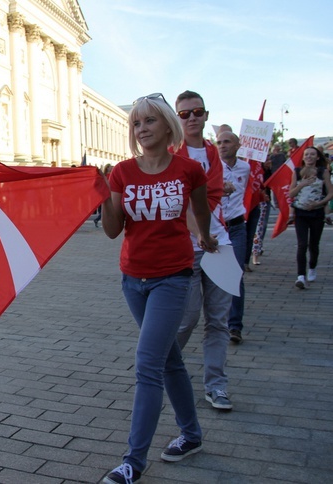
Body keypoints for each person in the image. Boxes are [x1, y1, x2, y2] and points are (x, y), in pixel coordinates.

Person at [100, 93, 217, 484]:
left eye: (150, 121)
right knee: (170, 361)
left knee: (148, 364)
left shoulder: (188, 171)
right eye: (136, 123)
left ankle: (134, 461)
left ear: (169, 125)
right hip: (133, 279)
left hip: (173, 276)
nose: (142, 128)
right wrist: (103, 198)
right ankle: (192, 435)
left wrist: (207, 236)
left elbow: (200, 212)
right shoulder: (121, 173)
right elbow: (115, 230)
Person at [173, 90, 236, 410]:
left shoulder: (213, 153)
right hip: (189, 247)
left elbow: (209, 196)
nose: (192, 118)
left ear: (206, 115)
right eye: (184, 114)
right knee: (186, 319)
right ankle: (164, 369)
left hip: (220, 245)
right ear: (177, 118)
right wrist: (200, 235)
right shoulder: (173, 154)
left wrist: (211, 237)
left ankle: (217, 386)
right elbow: (179, 203)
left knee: (219, 321)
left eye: (197, 112)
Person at [217, 131, 250, 344]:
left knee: (235, 274)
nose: (222, 146)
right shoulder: (212, 166)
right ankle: (215, 318)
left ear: (238, 145)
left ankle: (235, 326)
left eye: (227, 142)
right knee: (215, 277)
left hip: (236, 226)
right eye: (219, 142)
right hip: (216, 227)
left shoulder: (245, 168)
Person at [288, 146, 333, 288]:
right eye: (306, 154)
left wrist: (319, 203)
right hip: (301, 212)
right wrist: (301, 184)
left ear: (317, 157)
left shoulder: (323, 172)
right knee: (302, 244)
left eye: (312, 155)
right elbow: (291, 194)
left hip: (316, 212)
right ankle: (301, 276)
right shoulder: (296, 172)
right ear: (303, 157)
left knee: (314, 244)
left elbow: (331, 193)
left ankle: (312, 267)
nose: (309, 157)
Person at [251, 155, 273, 265]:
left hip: (265, 202)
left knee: (261, 228)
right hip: (257, 201)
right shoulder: (257, 171)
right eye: (267, 160)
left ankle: (257, 250)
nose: (270, 162)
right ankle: (255, 254)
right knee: (258, 229)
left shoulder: (269, 171)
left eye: (270, 160)